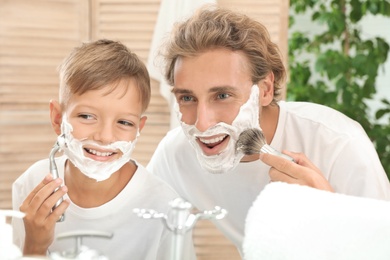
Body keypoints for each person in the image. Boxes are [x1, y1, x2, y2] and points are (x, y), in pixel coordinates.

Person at [146, 5, 390, 257]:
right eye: (187, 97)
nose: (203, 123)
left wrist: (328, 214)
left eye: (222, 95)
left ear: (265, 90)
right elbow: (138, 228)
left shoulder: (339, 145)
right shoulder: (177, 153)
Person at [12, 39, 195, 259]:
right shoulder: (32, 185)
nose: (105, 137)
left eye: (124, 123)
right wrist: (34, 248)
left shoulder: (166, 208)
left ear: (139, 128)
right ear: (58, 118)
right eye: (87, 116)